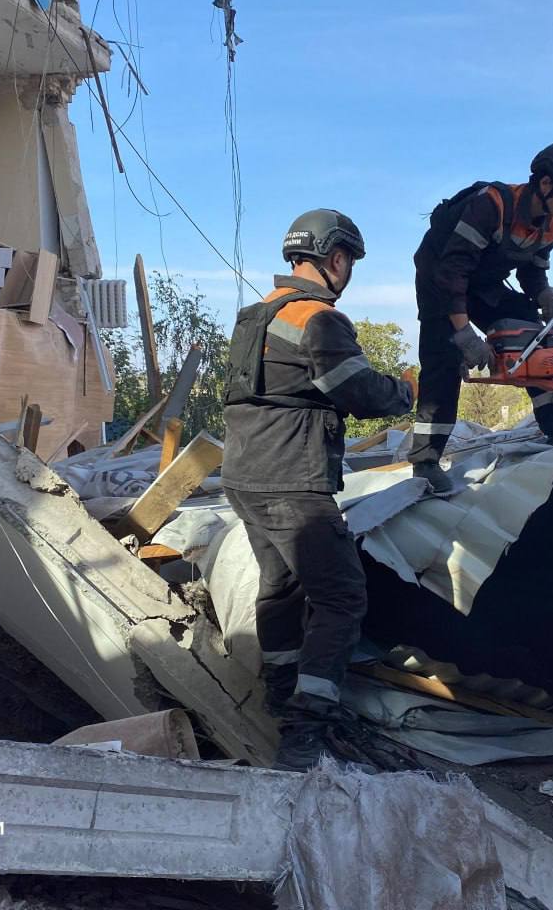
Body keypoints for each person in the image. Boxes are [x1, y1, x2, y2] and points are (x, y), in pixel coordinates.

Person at [221, 209, 415, 770]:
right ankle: (307, 727)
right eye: (348, 261)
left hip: (244, 476)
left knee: (280, 588)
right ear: (336, 259)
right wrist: (404, 391)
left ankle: (280, 689)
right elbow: (358, 393)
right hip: (293, 481)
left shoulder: (254, 315)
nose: (348, 270)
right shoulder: (319, 318)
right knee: (341, 598)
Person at [409, 142, 553, 494]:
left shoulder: (552, 226)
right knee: (443, 358)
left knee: (532, 335)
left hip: (483, 281)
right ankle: (426, 459)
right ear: (545, 184)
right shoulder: (490, 206)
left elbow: (532, 272)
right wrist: (463, 333)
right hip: (440, 277)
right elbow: (453, 272)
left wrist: (544, 294)